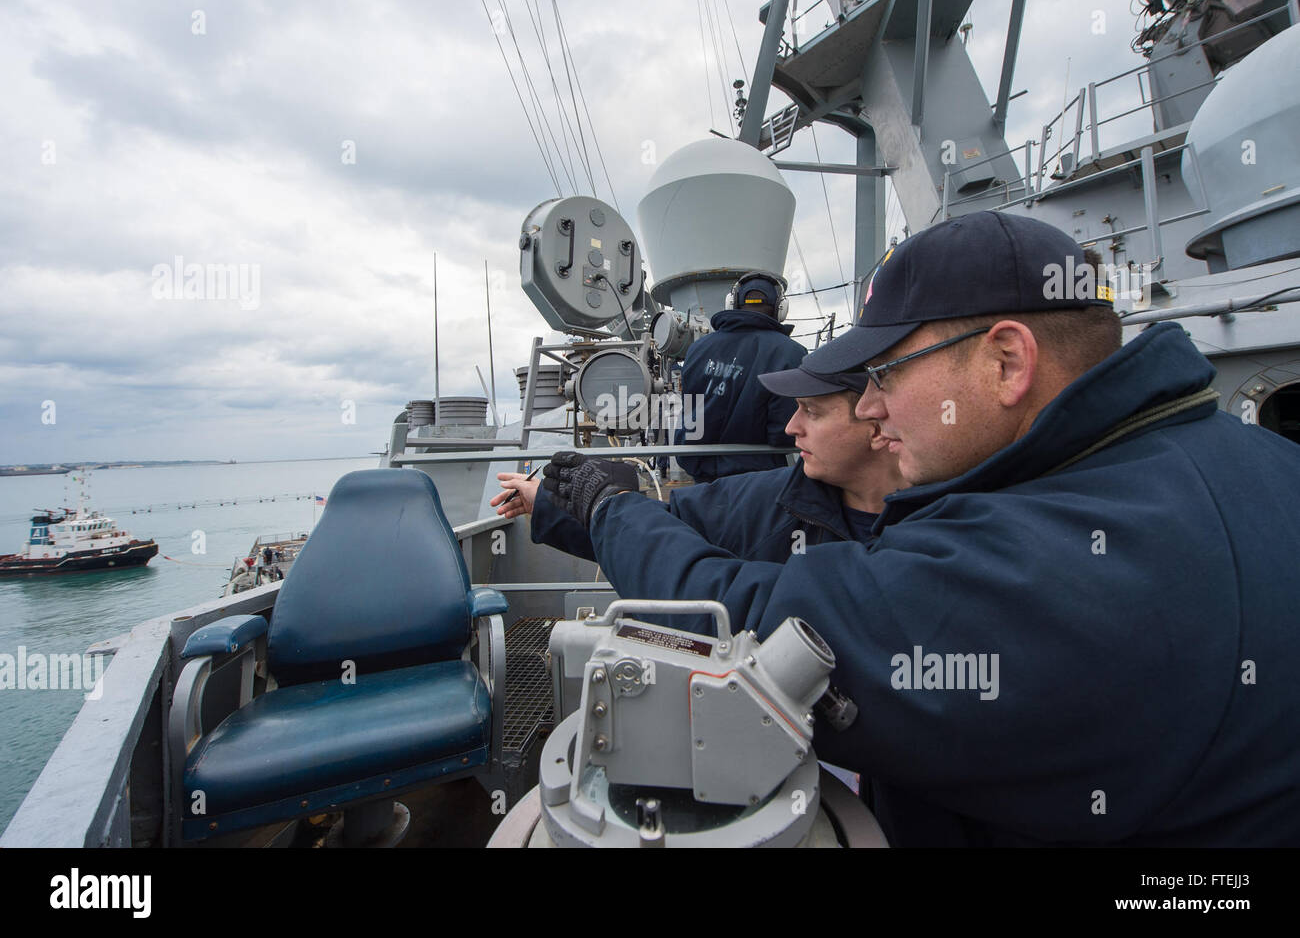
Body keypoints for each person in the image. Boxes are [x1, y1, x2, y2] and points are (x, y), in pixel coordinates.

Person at [540, 210, 1300, 846]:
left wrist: (610, 508)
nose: (870, 409)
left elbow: (767, 643)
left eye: (886, 375)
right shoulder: (1255, 462)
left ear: (1007, 362)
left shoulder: (1053, 559)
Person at [491, 364, 908, 562]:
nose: (791, 428)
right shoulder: (766, 500)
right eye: (795, 410)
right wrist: (547, 502)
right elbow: (669, 520)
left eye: (812, 412)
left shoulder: (951, 529)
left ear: (876, 423)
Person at [672, 272, 806, 483]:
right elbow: (783, 433)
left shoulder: (698, 349)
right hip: (758, 482)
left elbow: (690, 413)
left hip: (700, 477)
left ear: (732, 303)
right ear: (781, 308)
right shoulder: (791, 354)